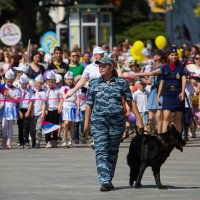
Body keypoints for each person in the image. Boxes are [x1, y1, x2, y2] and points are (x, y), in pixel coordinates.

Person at [85, 57, 143, 191]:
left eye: (104, 65)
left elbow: (130, 102)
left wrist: (140, 121)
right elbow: (89, 105)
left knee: (112, 152)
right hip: (99, 121)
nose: (101, 67)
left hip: (116, 123)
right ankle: (104, 181)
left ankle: (108, 179)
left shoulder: (121, 83)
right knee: (101, 150)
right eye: (99, 65)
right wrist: (86, 125)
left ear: (112, 67)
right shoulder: (93, 83)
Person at [132, 49, 166, 133]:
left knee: (159, 116)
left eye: (155, 55)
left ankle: (160, 134)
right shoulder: (153, 67)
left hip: (161, 91)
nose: (153, 56)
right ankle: (154, 133)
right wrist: (140, 79)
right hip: (153, 91)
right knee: (150, 117)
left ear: (159, 56)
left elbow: (152, 74)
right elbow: (149, 82)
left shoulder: (163, 67)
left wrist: (137, 74)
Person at [157, 45, 187, 133]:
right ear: (168, 56)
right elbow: (162, 82)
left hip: (178, 94)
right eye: (172, 55)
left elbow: (184, 79)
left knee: (178, 119)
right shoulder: (164, 68)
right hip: (168, 94)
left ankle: (178, 139)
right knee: (166, 117)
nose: (174, 57)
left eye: (175, 55)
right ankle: (164, 139)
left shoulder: (181, 67)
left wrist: (183, 92)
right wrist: (158, 96)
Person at [59, 71, 82, 147]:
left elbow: (78, 98)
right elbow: (61, 99)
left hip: (73, 107)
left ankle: (71, 140)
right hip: (66, 107)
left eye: (71, 79)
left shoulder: (76, 88)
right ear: (65, 80)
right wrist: (60, 106)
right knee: (66, 123)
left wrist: (78, 108)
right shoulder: (63, 88)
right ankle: (64, 139)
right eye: (67, 79)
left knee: (72, 124)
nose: (69, 81)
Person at [1, 69, 20, 149]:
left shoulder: (15, 89)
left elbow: (17, 100)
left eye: (11, 81)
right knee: (4, 125)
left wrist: (10, 96)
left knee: (10, 126)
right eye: (7, 81)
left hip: (12, 108)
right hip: (4, 108)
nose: (9, 83)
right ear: (5, 80)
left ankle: (9, 141)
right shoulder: (2, 87)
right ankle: (4, 138)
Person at [44, 71, 61, 148]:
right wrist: (45, 109)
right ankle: (48, 141)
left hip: (55, 110)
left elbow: (60, 99)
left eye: (52, 82)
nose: (50, 84)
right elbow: (44, 101)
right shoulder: (46, 90)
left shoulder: (58, 90)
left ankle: (54, 140)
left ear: (55, 82)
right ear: (47, 82)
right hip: (48, 110)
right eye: (49, 82)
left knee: (55, 126)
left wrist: (60, 107)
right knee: (48, 126)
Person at [29, 74, 46, 148]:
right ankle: (32, 140)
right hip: (32, 113)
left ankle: (38, 141)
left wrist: (43, 113)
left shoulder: (43, 93)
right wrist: (30, 112)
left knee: (38, 128)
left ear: (42, 84)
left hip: (39, 113)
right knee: (32, 129)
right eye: (37, 83)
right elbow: (30, 103)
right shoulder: (32, 91)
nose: (38, 85)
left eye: (40, 83)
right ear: (35, 83)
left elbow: (43, 104)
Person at [17, 73, 32, 149]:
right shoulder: (18, 90)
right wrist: (19, 111)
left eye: (25, 84)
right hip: (20, 110)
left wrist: (28, 111)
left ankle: (26, 141)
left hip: (27, 110)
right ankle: (21, 141)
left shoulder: (30, 91)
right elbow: (16, 102)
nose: (24, 85)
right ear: (20, 83)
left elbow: (30, 101)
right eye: (22, 84)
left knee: (26, 126)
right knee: (20, 127)